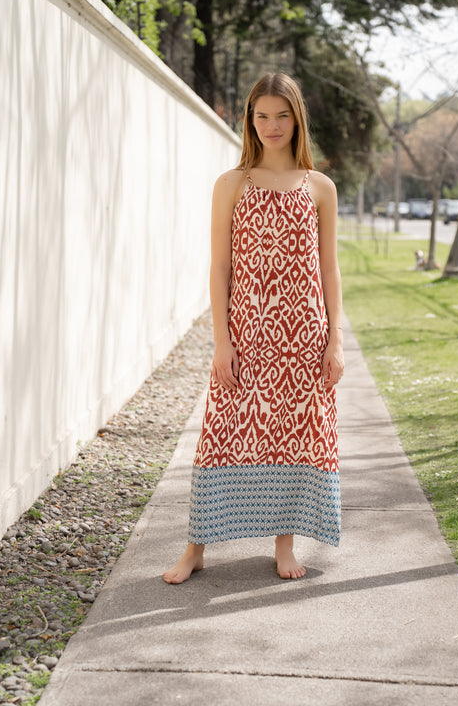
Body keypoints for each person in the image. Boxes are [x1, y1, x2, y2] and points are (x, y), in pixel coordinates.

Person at [163, 72, 344, 584]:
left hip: (304, 337)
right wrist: (222, 341)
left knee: (291, 438)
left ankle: (283, 544)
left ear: (297, 118)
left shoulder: (320, 188)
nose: (271, 125)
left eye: (281, 115)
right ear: (249, 120)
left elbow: (329, 270)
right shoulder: (231, 184)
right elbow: (219, 268)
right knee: (220, 435)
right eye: (261, 115)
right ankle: (196, 546)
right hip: (247, 333)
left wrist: (334, 341)